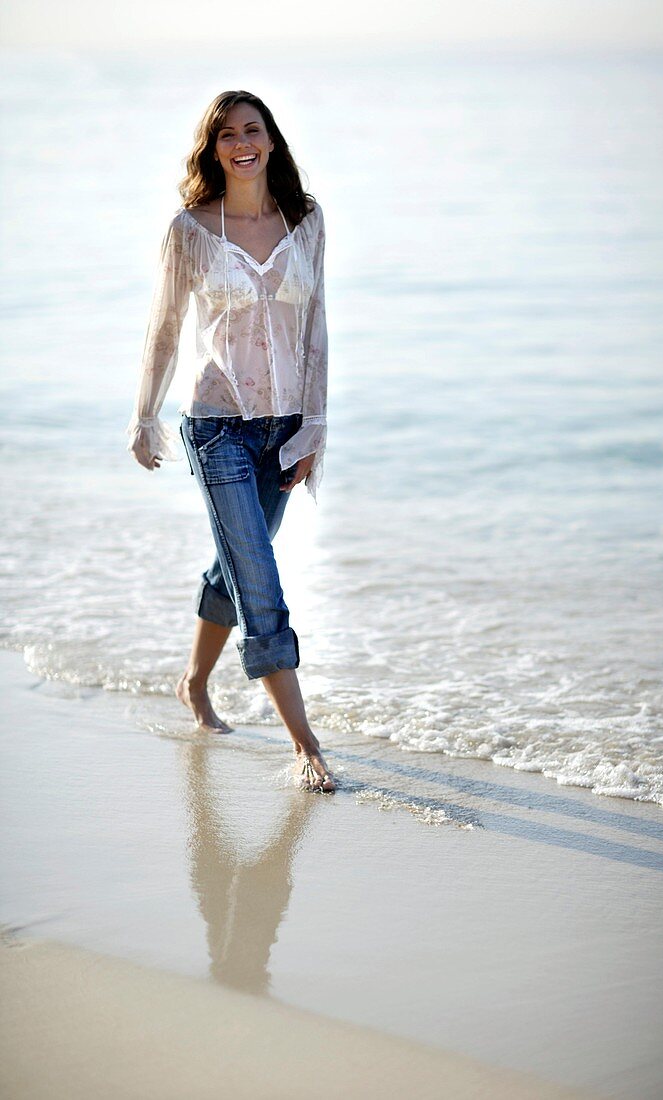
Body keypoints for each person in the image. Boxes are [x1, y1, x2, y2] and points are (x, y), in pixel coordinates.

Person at [126, 90, 335, 793]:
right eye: (225, 134)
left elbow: (316, 334)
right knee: (259, 583)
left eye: (253, 129)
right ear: (213, 149)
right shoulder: (191, 229)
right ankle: (306, 745)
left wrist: (316, 428)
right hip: (216, 427)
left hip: (284, 432)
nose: (241, 142)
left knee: (234, 564)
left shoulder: (305, 222)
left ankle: (193, 683)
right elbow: (162, 328)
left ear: (272, 140)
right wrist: (143, 415)